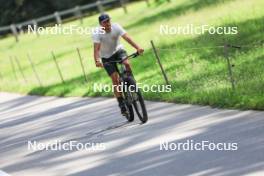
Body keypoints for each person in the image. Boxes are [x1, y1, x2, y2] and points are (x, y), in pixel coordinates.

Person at [92, 13, 144, 115]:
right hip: (106, 57)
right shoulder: (97, 33)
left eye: (108, 21)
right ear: (100, 24)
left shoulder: (116, 26)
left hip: (118, 51)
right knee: (115, 79)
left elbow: (127, 38)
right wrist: (97, 60)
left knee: (127, 64)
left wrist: (138, 48)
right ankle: (121, 104)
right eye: (105, 22)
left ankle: (132, 84)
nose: (107, 23)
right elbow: (96, 49)